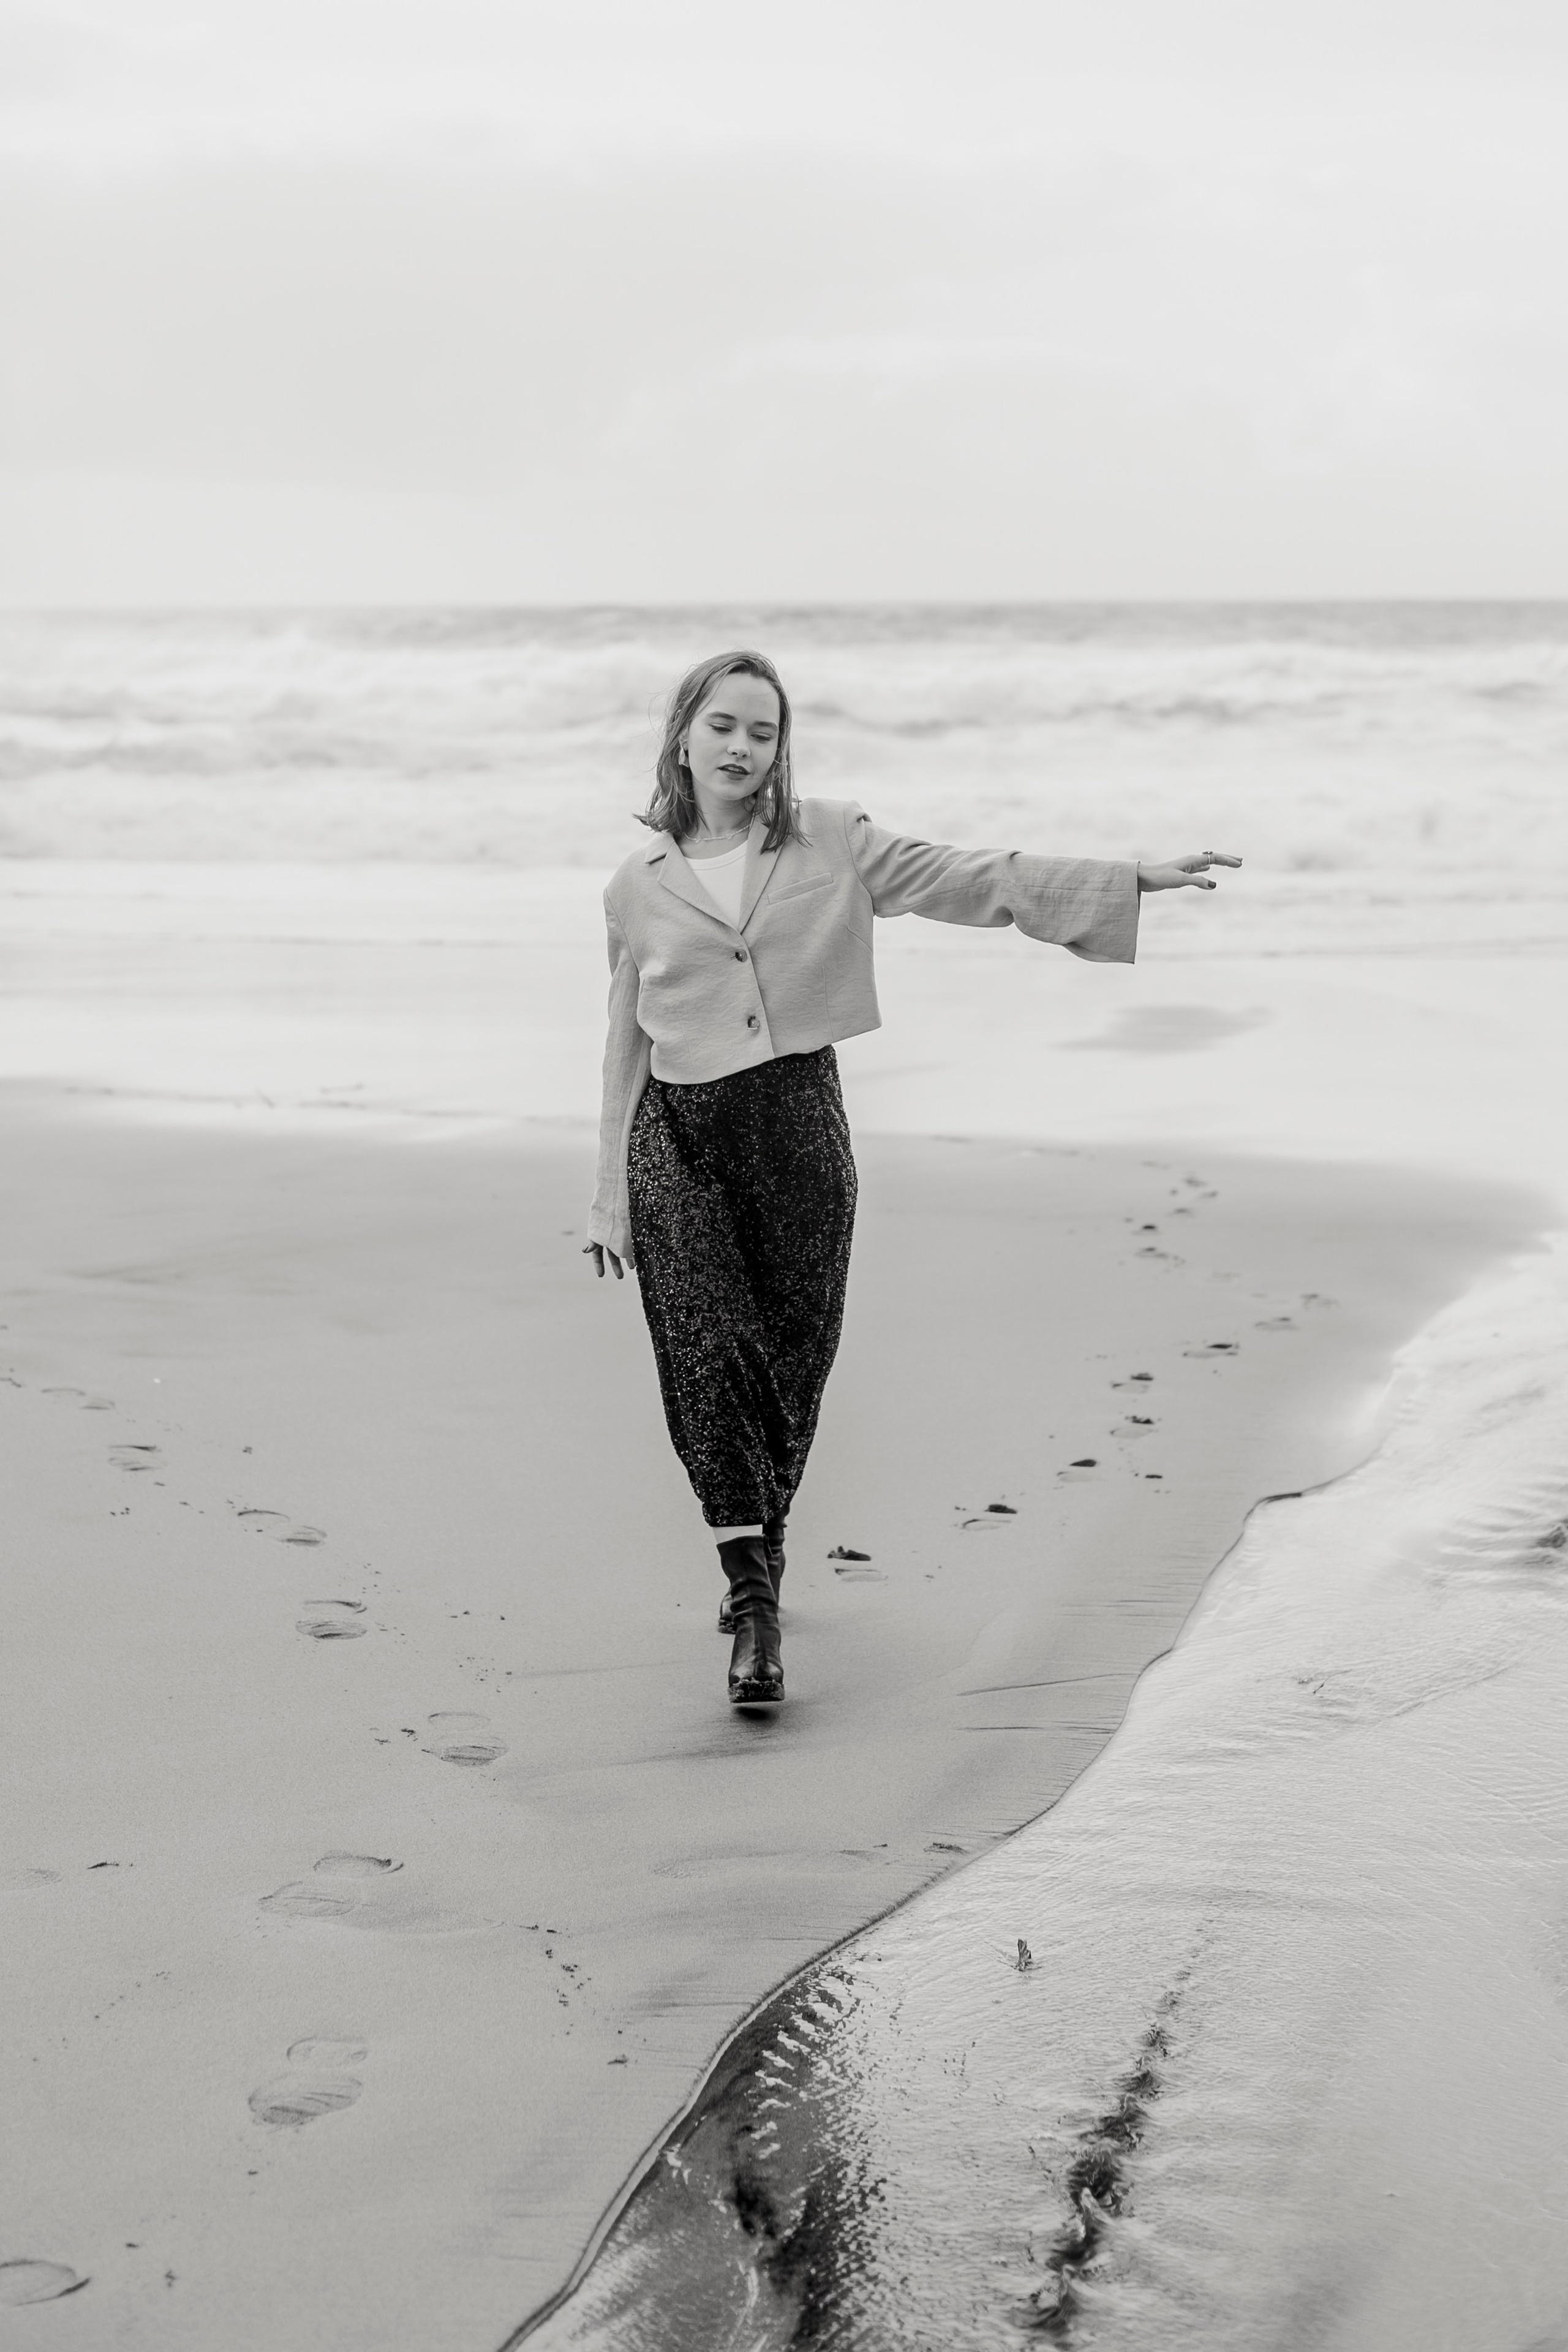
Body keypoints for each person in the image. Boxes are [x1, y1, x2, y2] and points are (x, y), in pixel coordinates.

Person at [584, 649, 1238, 1710]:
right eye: (725, 727)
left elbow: (966, 875)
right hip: (679, 1138)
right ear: (683, 738)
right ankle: (752, 1604)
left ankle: (764, 1535)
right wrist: (609, 1187)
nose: (744, 747)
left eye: (764, 731)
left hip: (798, 1125)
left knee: (790, 1359)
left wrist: (1123, 881)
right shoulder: (636, 886)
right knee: (704, 1352)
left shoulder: (832, 839)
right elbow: (622, 1039)